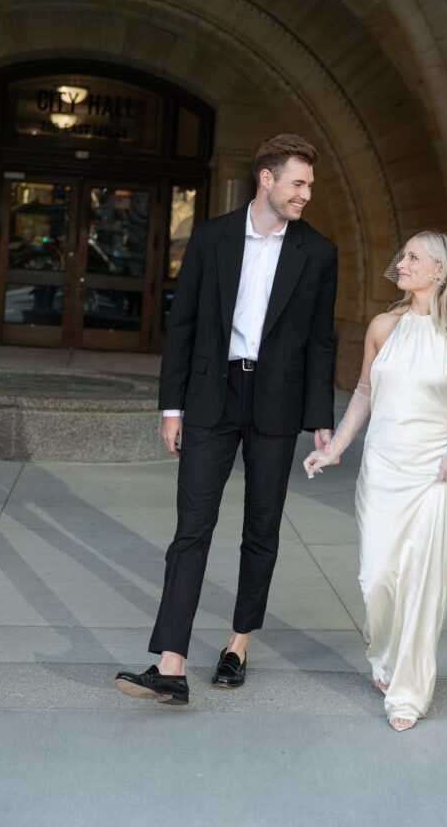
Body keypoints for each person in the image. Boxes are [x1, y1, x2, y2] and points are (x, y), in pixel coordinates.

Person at [116, 134, 337, 706]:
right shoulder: (213, 237)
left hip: (277, 401)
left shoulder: (318, 252)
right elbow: (183, 323)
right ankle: (170, 663)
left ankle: (238, 645)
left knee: (260, 529)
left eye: (309, 185)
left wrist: (320, 417)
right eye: (298, 183)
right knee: (191, 527)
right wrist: (173, 407)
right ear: (267, 178)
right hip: (214, 395)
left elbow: (320, 341)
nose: (306, 195)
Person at [304, 231, 447, 731]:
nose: (400, 262)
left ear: (439, 271)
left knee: (423, 585)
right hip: (383, 470)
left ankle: (408, 692)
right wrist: (335, 449)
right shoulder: (383, 326)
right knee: (377, 577)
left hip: (436, 474)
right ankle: (384, 657)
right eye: (401, 253)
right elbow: (364, 392)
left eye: (411, 257)